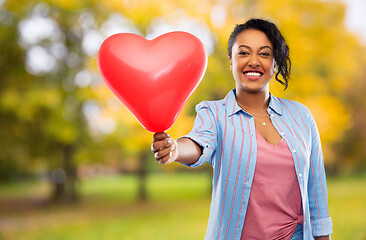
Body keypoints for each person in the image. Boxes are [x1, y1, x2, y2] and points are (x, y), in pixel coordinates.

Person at [151, 18, 332, 240]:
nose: (254, 61)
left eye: (264, 54)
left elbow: (316, 193)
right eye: (244, 53)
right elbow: (199, 143)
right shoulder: (215, 113)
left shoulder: (301, 116)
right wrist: (176, 149)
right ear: (231, 61)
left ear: (275, 63)